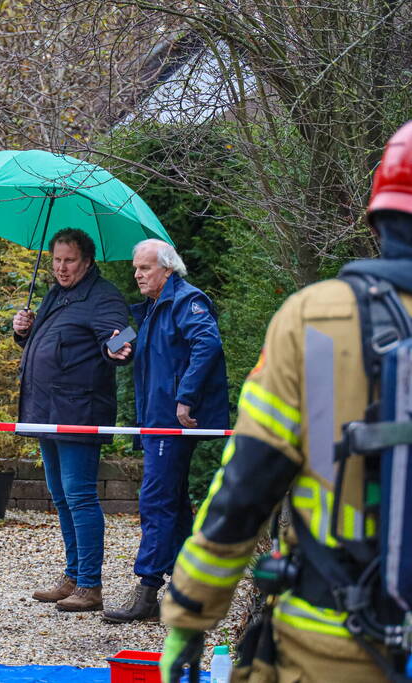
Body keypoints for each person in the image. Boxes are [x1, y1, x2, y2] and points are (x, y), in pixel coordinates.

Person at [160, 123, 412, 682]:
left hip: (337, 642)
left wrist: (189, 615)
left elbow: (248, 484)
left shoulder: (318, 322)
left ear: (380, 217)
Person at [102, 239, 229, 624]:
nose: (137, 274)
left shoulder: (186, 302)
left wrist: (186, 397)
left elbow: (207, 343)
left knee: (156, 501)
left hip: (170, 423)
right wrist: (118, 348)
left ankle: (147, 590)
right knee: (171, 502)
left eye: (145, 268)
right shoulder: (158, 307)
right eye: (136, 268)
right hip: (156, 419)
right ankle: (189, 589)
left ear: (167, 269)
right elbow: (159, 355)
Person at [13, 228, 131, 613]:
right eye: (57, 260)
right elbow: (53, 344)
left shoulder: (103, 295)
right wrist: (25, 333)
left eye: (70, 261)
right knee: (62, 497)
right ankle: (73, 574)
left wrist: (118, 349)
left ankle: (90, 585)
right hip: (47, 410)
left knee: (79, 496)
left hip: (79, 411)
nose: (62, 268)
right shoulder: (55, 294)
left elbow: (122, 333)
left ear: (87, 261)